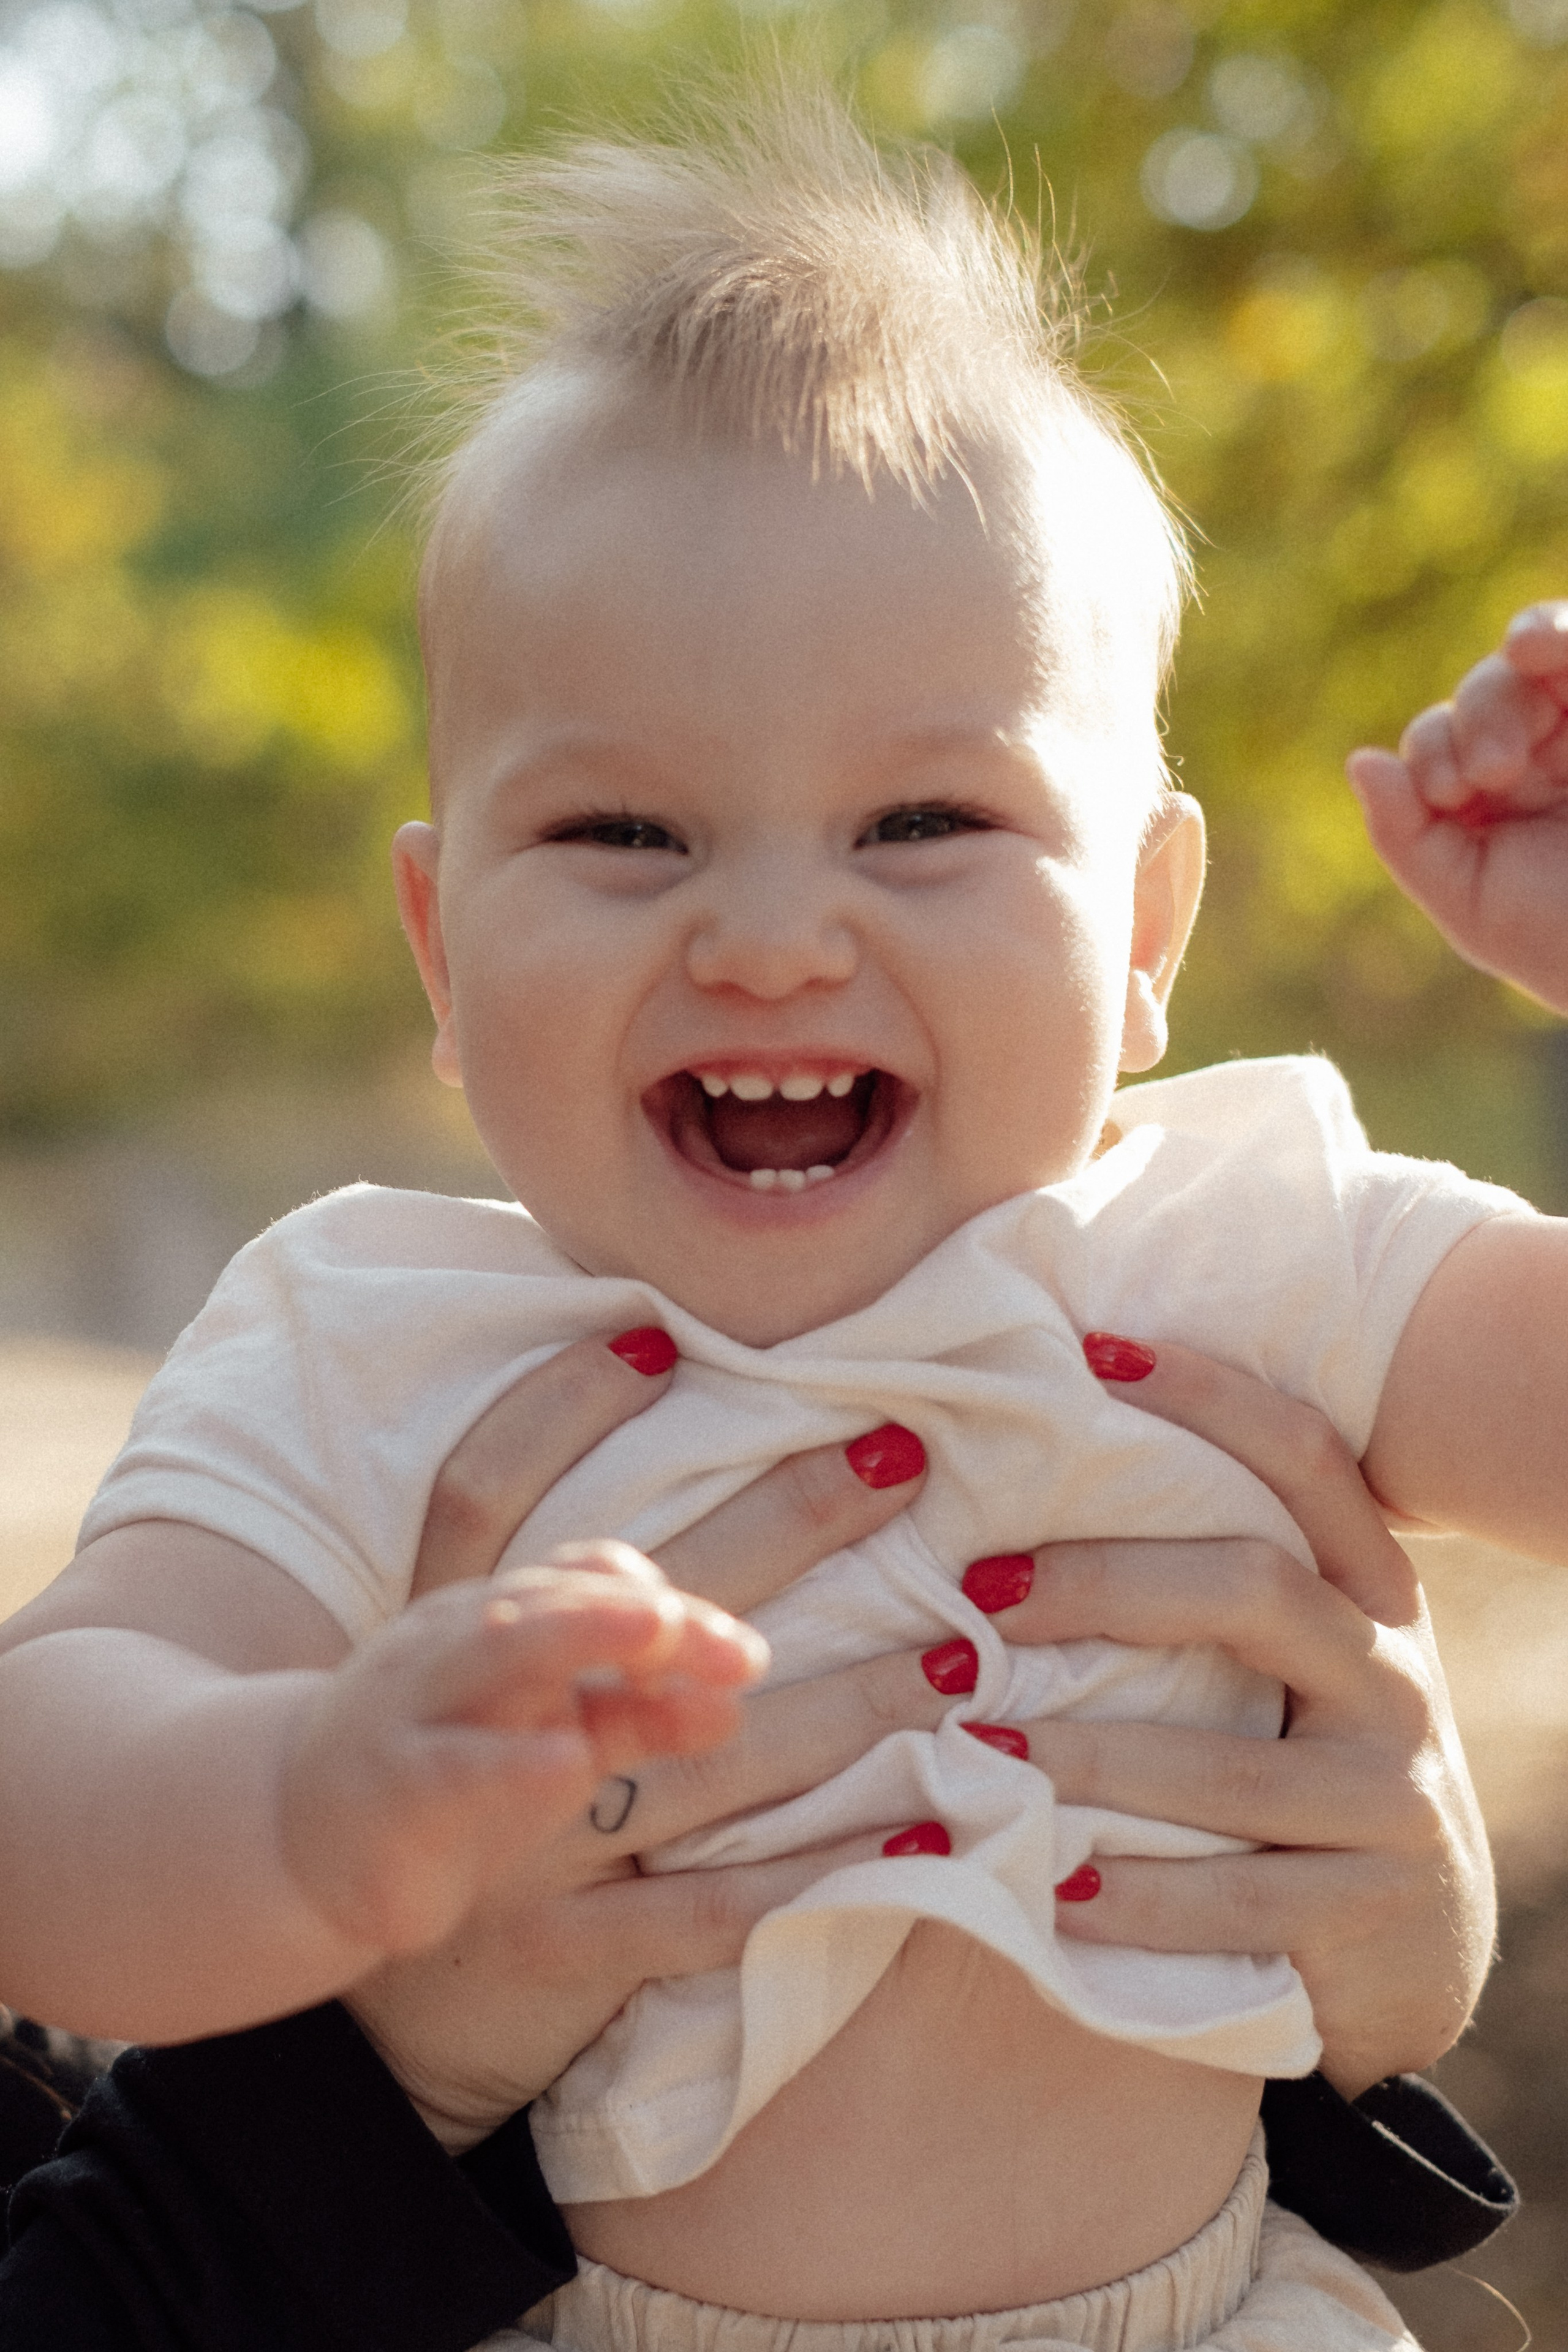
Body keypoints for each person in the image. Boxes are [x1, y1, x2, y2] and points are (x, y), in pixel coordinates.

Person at [0, 86, 1563, 2350]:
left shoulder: (1253, 1252)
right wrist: (301, 1808)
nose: (764, 938)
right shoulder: (377, 1340)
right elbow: (49, 1797)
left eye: (923, 820)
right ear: (443, 959)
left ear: (1145, 933)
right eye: (625, 833)